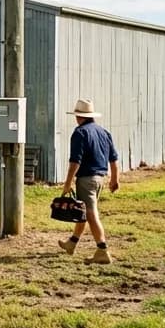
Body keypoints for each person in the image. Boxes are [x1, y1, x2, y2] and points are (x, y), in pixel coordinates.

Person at [58, 99, 120, 264]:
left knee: (91, 214)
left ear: (78, 116)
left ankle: (102, 249)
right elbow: (113, 159)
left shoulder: (80, 133)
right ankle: (72, 243)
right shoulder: (104, 132)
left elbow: (75, 162)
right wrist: (115, 179)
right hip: (100, 178)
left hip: (86, 179)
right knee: (83, 211)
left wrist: (67, 183)